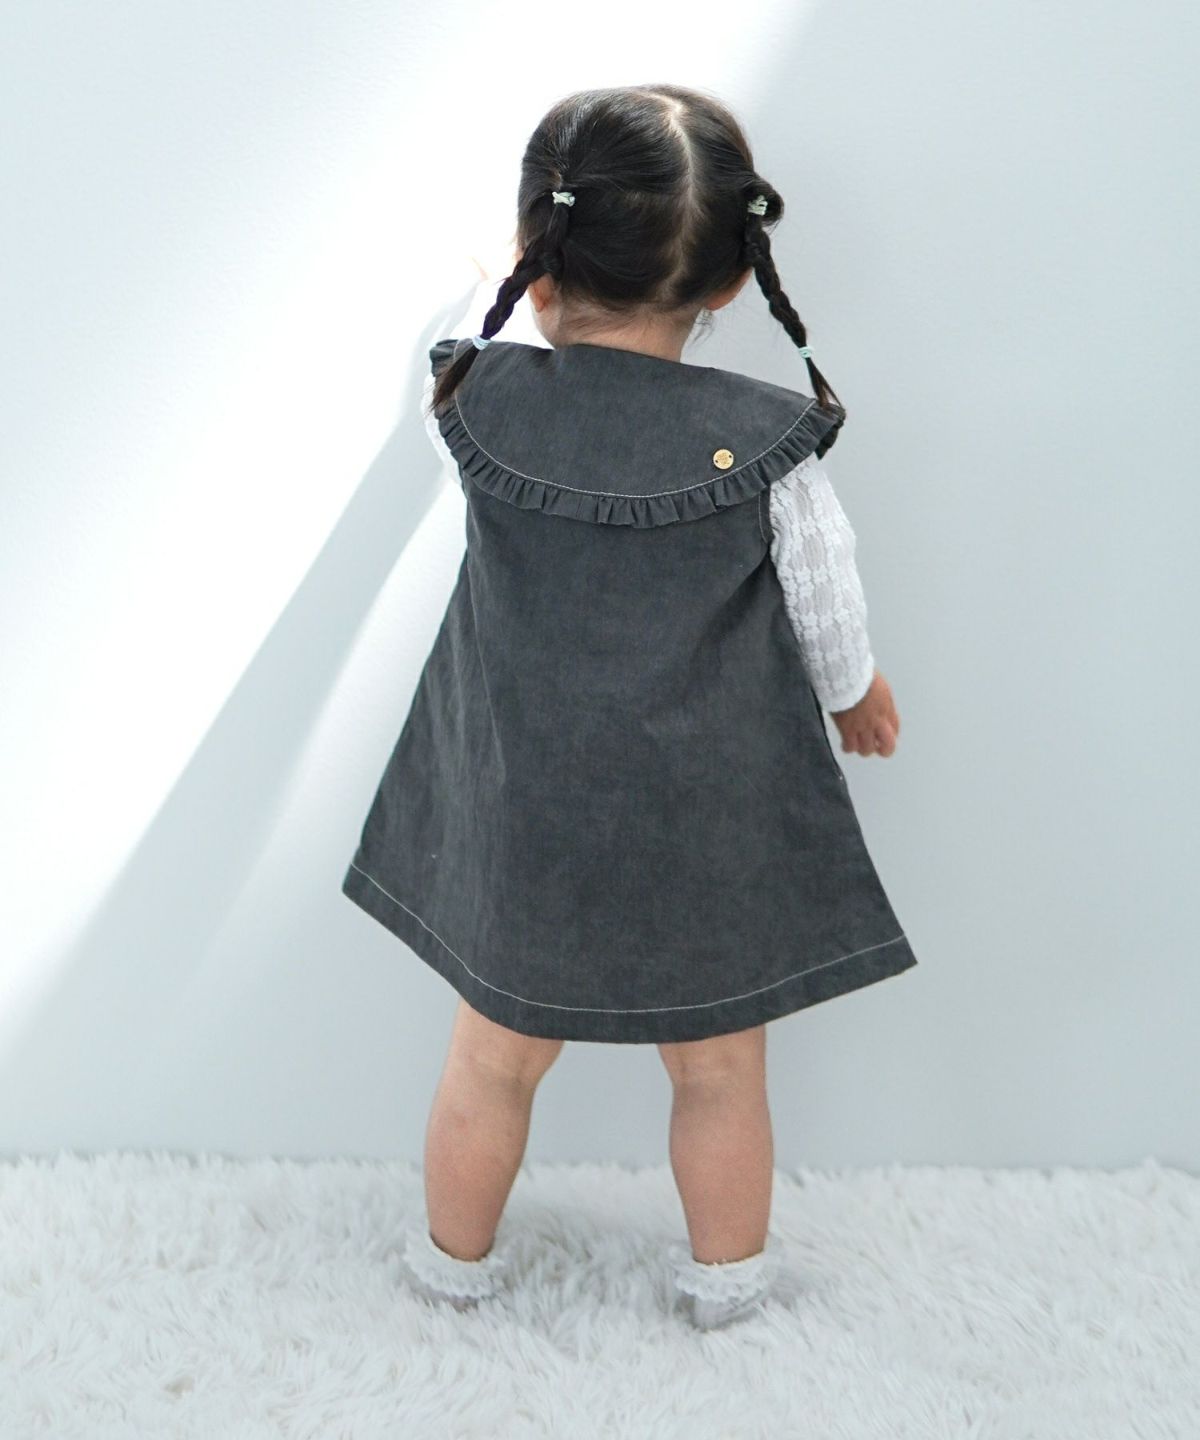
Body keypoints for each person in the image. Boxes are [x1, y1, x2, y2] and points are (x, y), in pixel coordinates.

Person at [341, 84, 919, 1329]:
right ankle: (730, 1286)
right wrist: (854, 694)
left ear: (539, 256)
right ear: (730, 282)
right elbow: (826, 596)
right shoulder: (767, 443)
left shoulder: (477, 403)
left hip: (525, 807)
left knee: (491, 1061)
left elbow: (454, 351)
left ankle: (450, 1269)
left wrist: (494, 288)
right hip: (705, 816)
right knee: (719, 1072)